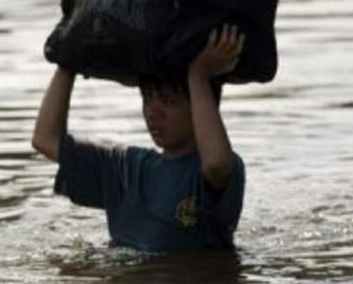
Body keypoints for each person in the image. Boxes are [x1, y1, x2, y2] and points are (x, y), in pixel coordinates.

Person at [32, 24, 246, 252]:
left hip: (192, 282)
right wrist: (68, 63)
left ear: (202, 106)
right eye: (147, 99)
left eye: (168, 101)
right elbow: (45, 139)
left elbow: (216, 164)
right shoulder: (126, 167)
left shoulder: (218, 167)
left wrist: (199, 76)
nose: (153, 112)